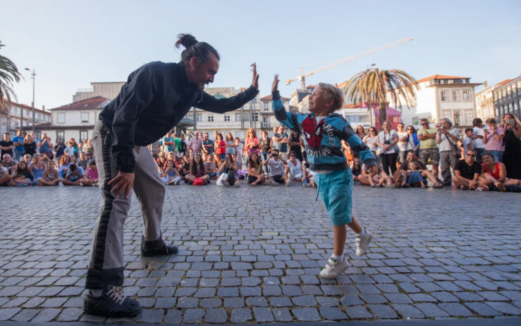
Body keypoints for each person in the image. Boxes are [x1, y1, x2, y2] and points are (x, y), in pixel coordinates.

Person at [85, 33, 260, 317]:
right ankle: (99, 291)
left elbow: (220, 104)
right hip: (113, 135)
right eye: (210, 71)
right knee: (116, 201)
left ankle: (152, 243)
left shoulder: (191, 89)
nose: (212, 78)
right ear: (193, 62)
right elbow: (123, 118)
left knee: (156, 188)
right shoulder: (153, 74)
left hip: (137, 142)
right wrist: (126, 167)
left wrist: (252, 90)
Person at [272, 75, 375, 279]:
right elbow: (281, 116)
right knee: (340, 212)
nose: (309, 97)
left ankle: (338, 259)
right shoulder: (303, 120)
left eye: (315, 94)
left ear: (328, 102)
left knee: (337, 215)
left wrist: (369, 160)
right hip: (320, 177)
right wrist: (275, 94)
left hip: (339, 175)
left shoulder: (337, 121)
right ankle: (363, 234)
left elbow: (356, 142)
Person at [437, 118, 460, 186]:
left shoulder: (454, 130)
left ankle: (458, 180)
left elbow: (456, 139)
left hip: (452, 150)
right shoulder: (439, 131)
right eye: (442, 123)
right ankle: (447, 180)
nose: (443, 125)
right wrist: (439, 135)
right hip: (442, 150)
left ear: (449, 123)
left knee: (455, 166)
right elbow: (438, 142)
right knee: (444, 167)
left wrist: (447, 133)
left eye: (445, 123)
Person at [501, 114, 521, 179]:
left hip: (516, 145)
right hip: (506, 146)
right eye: (506, 117)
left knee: (516, 161)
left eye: (509, 117)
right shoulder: (501, 126)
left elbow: (518, 136)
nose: (508, 119)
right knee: (507, 161)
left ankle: (517, 177)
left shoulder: (517, 125)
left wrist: (513, 128)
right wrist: (505, 127)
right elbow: (502, 136)